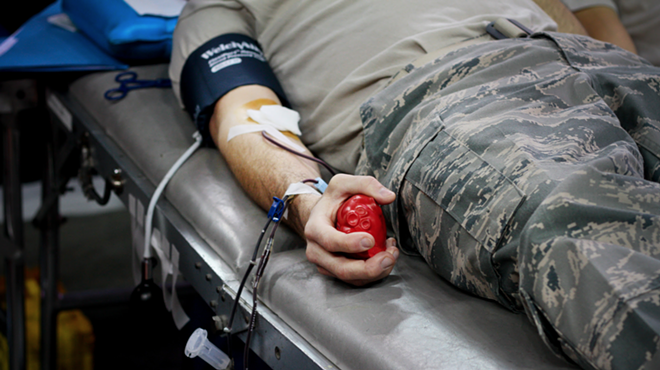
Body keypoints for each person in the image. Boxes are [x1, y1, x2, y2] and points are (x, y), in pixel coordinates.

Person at [169, 1, 660, 369]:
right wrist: (303, 198)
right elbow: (246, 119)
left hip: (601, 61)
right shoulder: (219, 7)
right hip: (454, 99)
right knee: (579, 222)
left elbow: (586, 22)